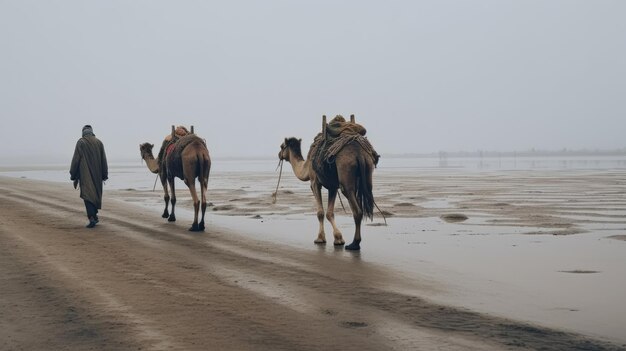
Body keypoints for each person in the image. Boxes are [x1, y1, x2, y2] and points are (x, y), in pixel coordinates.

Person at [70, 125, 108, 228]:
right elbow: (104, 160)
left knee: (87, 195)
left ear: (83, 132)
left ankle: (91, 217)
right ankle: (94, 217)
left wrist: (73, 174)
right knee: (95, 195)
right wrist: (105, 174)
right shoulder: (99, 142)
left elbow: (76, 159)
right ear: (91, 132)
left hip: (85, 174)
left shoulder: (81, 142)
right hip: (97, 175)